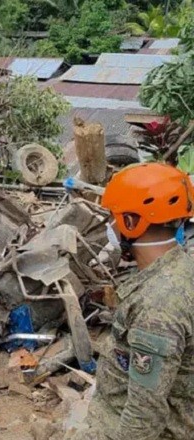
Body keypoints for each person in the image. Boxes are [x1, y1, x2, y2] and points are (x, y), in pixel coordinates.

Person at [70, 163, 194, 440]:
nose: (110, 226)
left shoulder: (157, 305)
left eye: (112, 218)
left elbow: (144, 414)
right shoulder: (181, 271)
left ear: (130, 222)